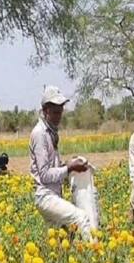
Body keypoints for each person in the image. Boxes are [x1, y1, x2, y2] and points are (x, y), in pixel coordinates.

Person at [29, 85, 96, 239]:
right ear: (45, 110)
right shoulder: (40, 134)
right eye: (55, 112)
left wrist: (70, 165)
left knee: (66, 238)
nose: (59, 116)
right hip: (46, 196)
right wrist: (69, 168)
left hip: (53, 196)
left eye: (60, 111)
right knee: (82, 218)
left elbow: (53, 167)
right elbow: (45, 175)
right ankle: (96, 255)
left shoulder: (51, 131)